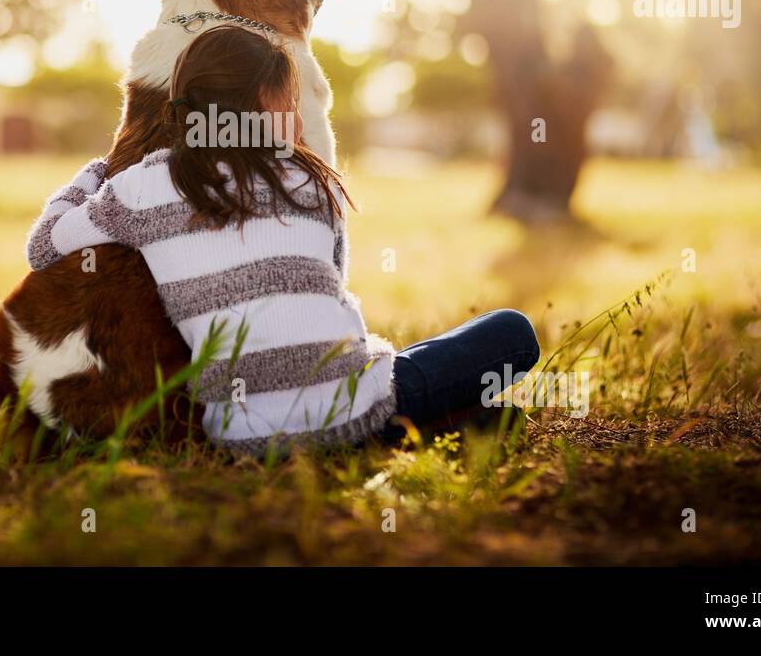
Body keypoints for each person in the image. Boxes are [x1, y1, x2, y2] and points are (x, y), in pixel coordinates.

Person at [26, 24, 538, 455]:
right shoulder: (309, 179)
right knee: (512, 332)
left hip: (240, 436)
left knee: (465, 401)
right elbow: (332, 290)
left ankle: (439, 424)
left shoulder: (142, 186)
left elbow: (44, 245)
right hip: (353, 406)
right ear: (260, 104)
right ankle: (412, 424)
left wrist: (96, 174)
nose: (296, 119)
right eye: (288, 102)